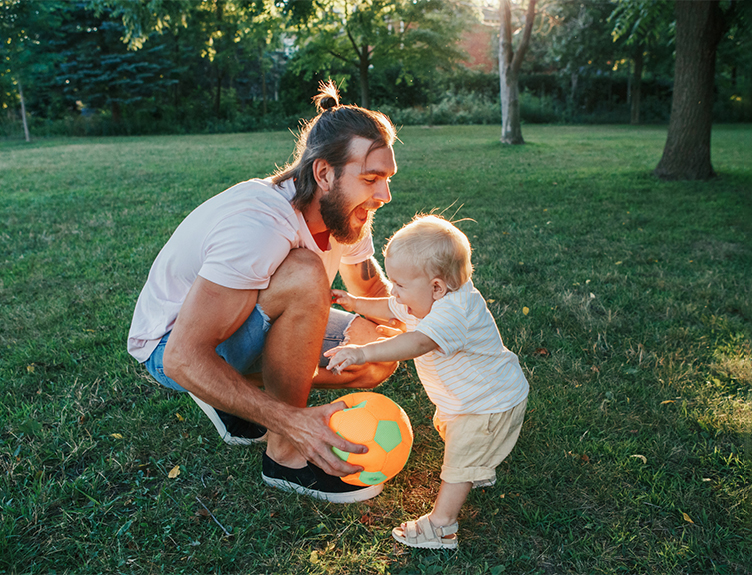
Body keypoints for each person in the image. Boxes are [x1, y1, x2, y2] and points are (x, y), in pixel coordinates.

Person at [127, 81, 402, 504]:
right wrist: (295, 421)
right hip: (173, 347)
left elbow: (373, 292)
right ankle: (284, 456)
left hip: (240, 327)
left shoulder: (345, 214)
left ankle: (230, 399)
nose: (383, 196)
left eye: (386, 179)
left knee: (380, 349)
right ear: (324, 173)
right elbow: (183, 357)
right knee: (305, 272)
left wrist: (433, 323)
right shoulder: (259, 225)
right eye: (370, 179)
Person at [325, 215, 529, 548]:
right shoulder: (423, 298)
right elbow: (391, 307)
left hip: (489, 404)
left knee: (457, 464)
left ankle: (441, 527)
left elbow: (416, 342)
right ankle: (476, 464)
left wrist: (363, 353)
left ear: (437, 286)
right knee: (454, 437)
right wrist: (356, 303)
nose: (394, 291)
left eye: (400, 285)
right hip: (466, 401)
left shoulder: (454, 311)